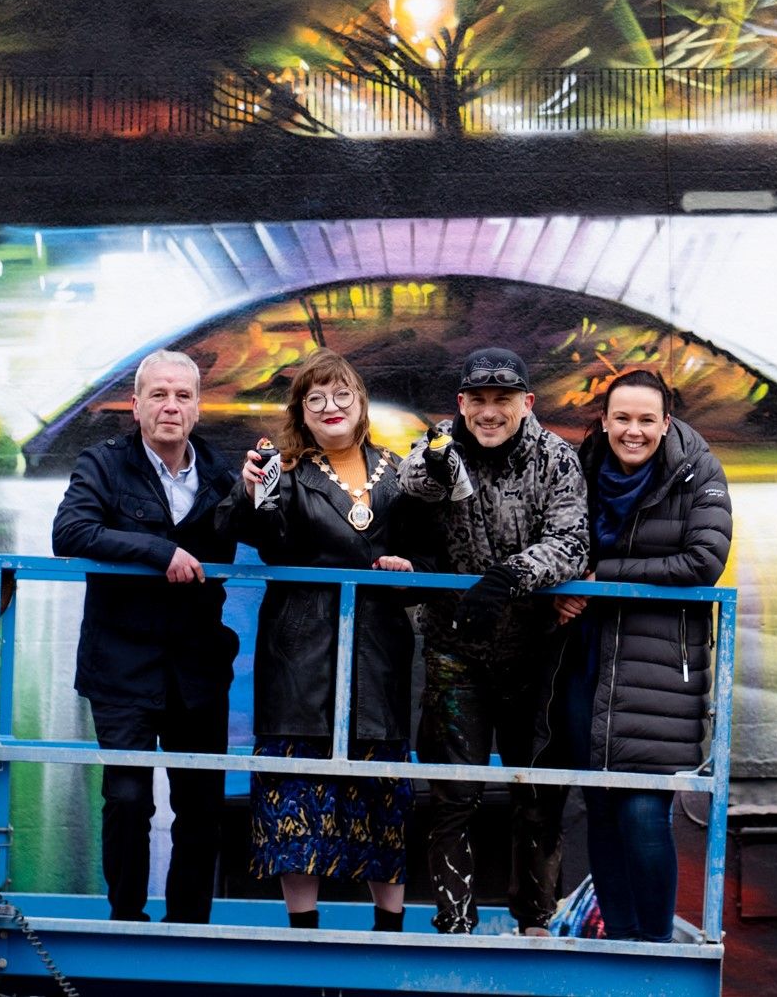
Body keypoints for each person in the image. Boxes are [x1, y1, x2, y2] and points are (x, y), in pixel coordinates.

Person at [217, 349, 428, 933]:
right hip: (300, 658)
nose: (330, 407)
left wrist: (410, 564)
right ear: (301, 414)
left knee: (382, 797)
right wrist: (253, 492)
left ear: (360, 404)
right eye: (315, 399)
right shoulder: (286, 473)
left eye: (341, 395)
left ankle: (390, 936)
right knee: (296, 796)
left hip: (379, 656)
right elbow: (265, 539)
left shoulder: (401, 471)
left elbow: (430, 546)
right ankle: (303, 934)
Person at [396, 345, 588, 936]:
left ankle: (534, 924)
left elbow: (574, 543)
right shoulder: (437, 447)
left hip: (536, 653)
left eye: (502, 400)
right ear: (461, 403)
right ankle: (455, 922)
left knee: (537, 792)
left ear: (526, 403)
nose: (489, 411)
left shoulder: (557, 459)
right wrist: (433, 471)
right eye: (477, 399)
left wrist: (509, 579)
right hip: (454, 653)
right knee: (455, 794)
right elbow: (409, 482)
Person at [49, 349, 240, 923]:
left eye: (182, 396)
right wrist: (162, 553)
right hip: (121, 663)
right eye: (159, 395)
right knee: (128, 799)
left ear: (199, 408)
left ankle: (189, 927)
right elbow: (71, 531)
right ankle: (126, 918)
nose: (171, 407)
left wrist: (260, 499)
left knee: (201, 806)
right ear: (135, 406)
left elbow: (268, 535)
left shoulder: (225, 476)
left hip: (198, 667)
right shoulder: (102, 464)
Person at [553, 369, 732, 942]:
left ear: (666, 421)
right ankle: (621, 944)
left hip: (659, 666)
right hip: (587, 658)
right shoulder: (578, 469)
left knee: (642, 806)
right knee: (600, 805)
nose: (633, 431)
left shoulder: (696, 469)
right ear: (603, 421)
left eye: (646, 420)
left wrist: (601, 576)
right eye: (622, 418)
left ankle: (654, 950)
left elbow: (704, 560)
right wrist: (562, 588)